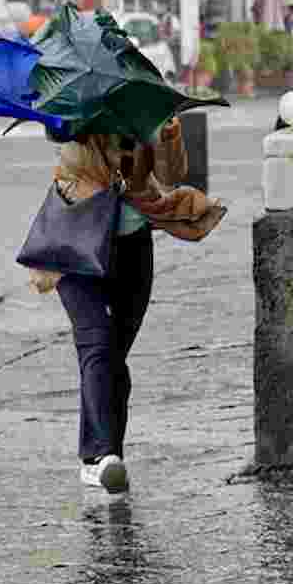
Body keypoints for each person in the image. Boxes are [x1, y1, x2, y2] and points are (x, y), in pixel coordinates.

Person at [27, 119, 227, 493]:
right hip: (76, 238)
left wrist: (168, 136)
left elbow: (172, 174)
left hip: (132, 244)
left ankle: (104, 458)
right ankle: (100, 456)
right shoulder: (76, 107)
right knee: (97, 343)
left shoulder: (143, 111)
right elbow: (61, 136)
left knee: (114, 353)